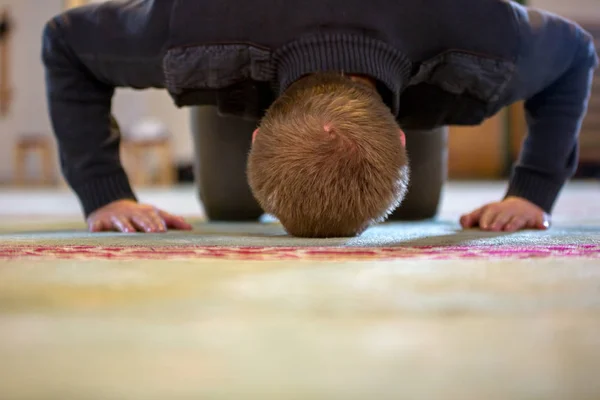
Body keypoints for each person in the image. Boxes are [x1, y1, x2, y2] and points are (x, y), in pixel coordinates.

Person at [42, 0, 598, 238]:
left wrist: (532, 192)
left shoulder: (484, 35)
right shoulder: (192, 28)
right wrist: (105, 194)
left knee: (418, 207)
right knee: (231, 207)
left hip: (422, 56)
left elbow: (575, 53)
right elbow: (65, 43)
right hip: (240, 44)